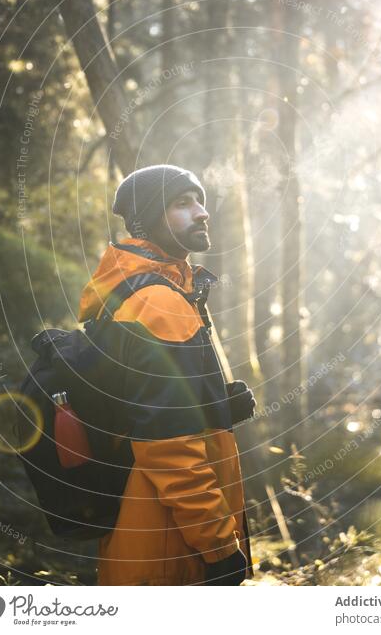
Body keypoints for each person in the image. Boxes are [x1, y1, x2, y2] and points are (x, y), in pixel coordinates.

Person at [77, 164, 255, 585]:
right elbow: (169, 447)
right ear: (149, 220)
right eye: (182, 203)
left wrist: (213, 405)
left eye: (200, 201)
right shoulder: (160, 302)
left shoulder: (136, 291)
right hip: (172, 547)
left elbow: (138, 405)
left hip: (142, 529)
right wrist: (219, 549)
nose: (201, 212)